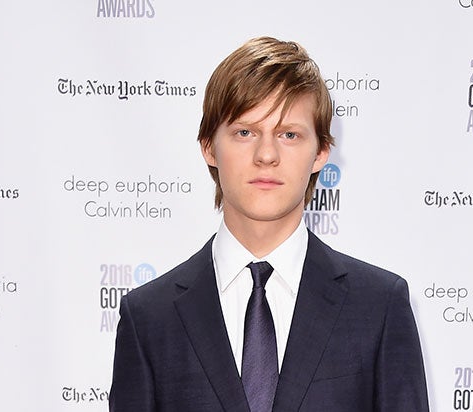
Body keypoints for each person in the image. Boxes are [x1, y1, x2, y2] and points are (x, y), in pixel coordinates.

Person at [109, 36, 429, 412]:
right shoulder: (148, 318)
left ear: (321, 152)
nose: (266, 155)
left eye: (288, 134)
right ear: (209, 147)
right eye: (245, 132)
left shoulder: (379, 307)